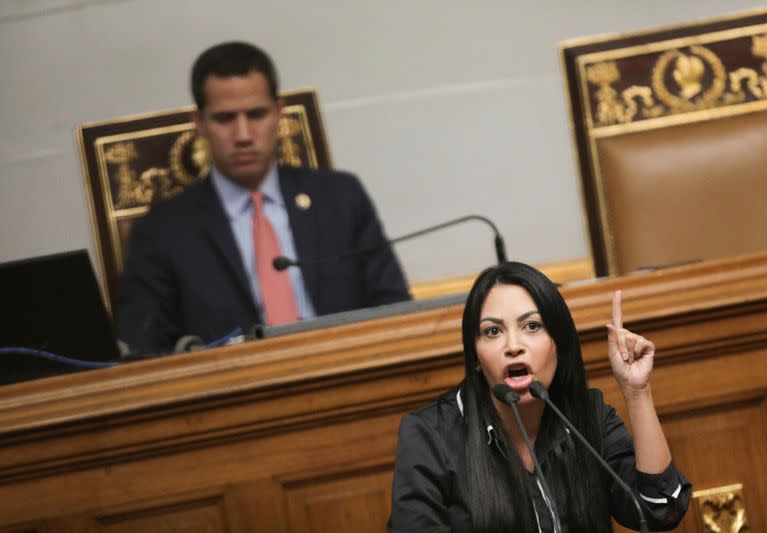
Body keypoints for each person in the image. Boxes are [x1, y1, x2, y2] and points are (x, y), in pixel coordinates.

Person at [116, 41, 410, 354]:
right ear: (199, 122)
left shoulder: (340, 198)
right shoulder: (163, 230)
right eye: (225, 118)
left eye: (256, 114)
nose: (243, 135)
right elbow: (142, 346)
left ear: (279, 113)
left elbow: (395, 309)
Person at [389, 262, 691, 532]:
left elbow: (660, 509)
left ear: (558, 343)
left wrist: (637, 393)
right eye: (493, 331)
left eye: (531, 326)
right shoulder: (430, 437)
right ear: (476, 356)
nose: (513, 345)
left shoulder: (587, 415)